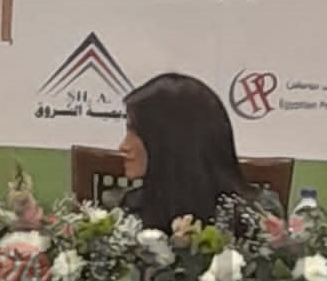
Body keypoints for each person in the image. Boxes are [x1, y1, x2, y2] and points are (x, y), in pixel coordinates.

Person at [115, 72, 277, 231]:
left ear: (169, 140)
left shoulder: (255, 218)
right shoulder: (133, 209)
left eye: (134, 132)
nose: (123, 146)